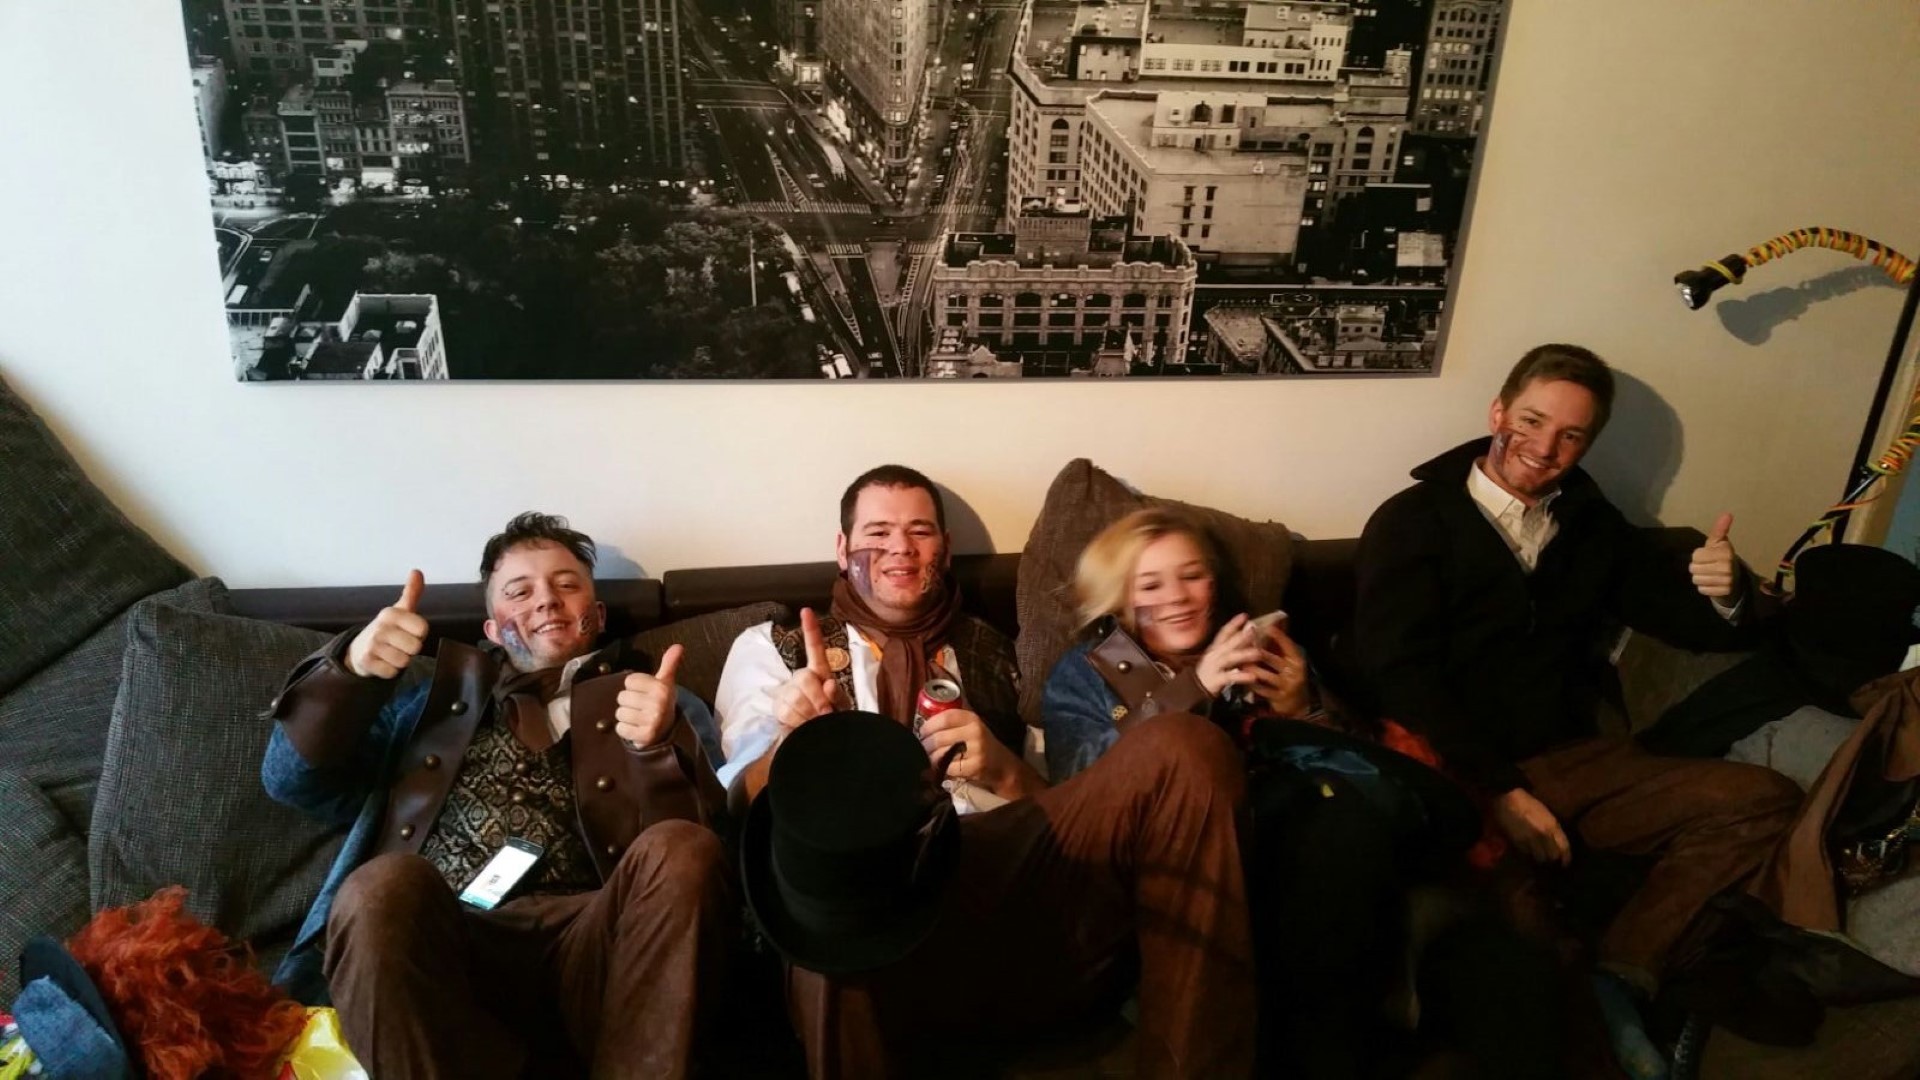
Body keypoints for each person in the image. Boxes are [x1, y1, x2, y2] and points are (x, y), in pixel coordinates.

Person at [715, 466, 1257, 1078]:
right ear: (842, 549)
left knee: (1185, 743)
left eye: (920, 532)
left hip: (996, 872)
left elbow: (1072, 813)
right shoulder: (774, 646)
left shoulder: (996, 651)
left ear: (944, 550)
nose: (900, 547)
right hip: (863, 885)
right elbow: (737, 805)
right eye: (878, 533)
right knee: (834, 902)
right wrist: (796, 749)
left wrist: (1005, 771)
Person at [1354, 344, 1803, 1074]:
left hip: (1574, 760)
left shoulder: (1591, 521)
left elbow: (1677, 618)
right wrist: (1502, 790)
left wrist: (1727, 594)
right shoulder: (1414, 521)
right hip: (1452, 767)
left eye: (1571, 435)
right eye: (1532, 421)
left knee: (1762, 800)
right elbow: (1398, 675)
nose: (1545, 448)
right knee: (1523, 930)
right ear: (1498, 412)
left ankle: (1626, 971)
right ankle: (1590, 1032)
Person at [1043, 507, 1558, 1079]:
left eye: (1193, 575)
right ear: (1118, 597)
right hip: (1192, 857)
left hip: (1321, 839)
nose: (1178, 598)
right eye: (1150, 585)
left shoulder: (1260, 644)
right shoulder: (1087, 671)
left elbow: (1357, 762)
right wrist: (1196, 688)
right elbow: (1086, 789)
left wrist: (1303, 707)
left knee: (1501, 964)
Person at [260, 512, 733, 1079]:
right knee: (377, 887)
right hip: (448, 942)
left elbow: (717, 848)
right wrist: (348, 675)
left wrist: (660, 748)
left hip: (598, 944)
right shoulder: (424, 704)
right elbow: (291, 782)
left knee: (683, 847)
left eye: (566, 584)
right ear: (491, 628)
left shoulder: (659, 699)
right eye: (520, 591)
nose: (547, 599)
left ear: (599, 614)